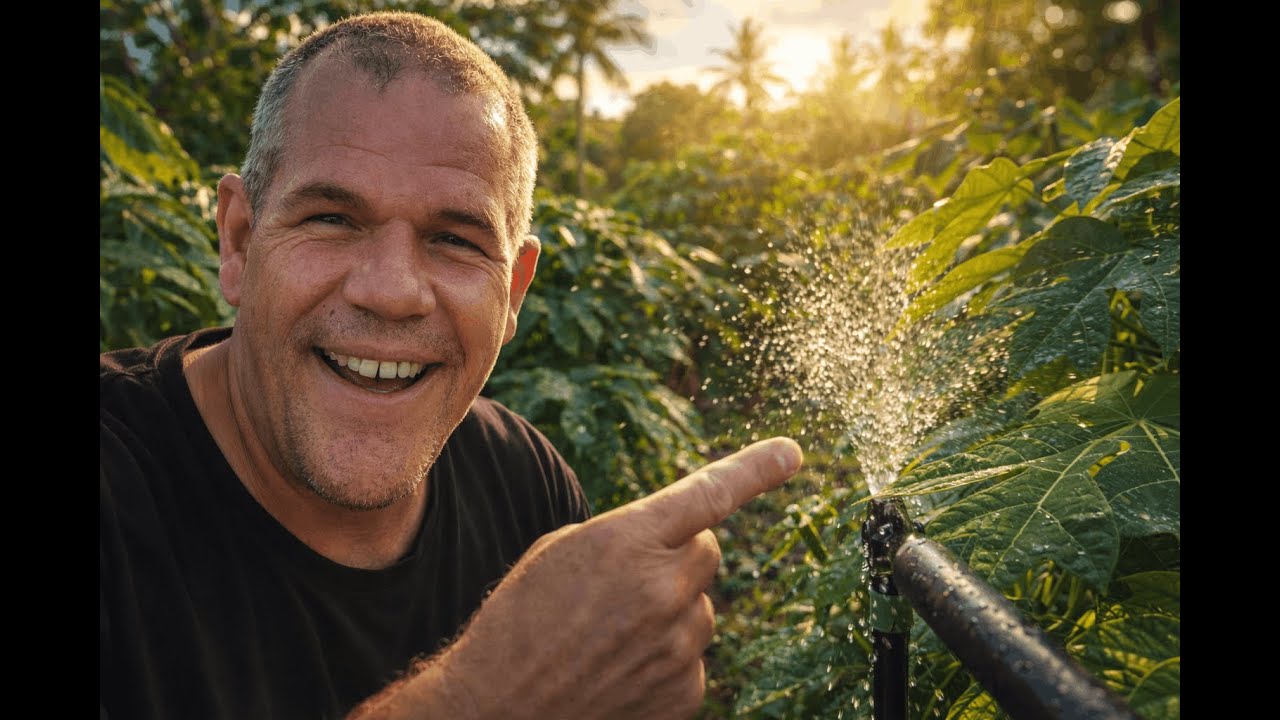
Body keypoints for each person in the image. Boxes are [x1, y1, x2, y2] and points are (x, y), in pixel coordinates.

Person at [100, 11, 803, 720]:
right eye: (332, 220)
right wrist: (482, 698)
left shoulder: (524, 483)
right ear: (241, 242)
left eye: (454, 239)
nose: (392, 290)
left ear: (514, 291)